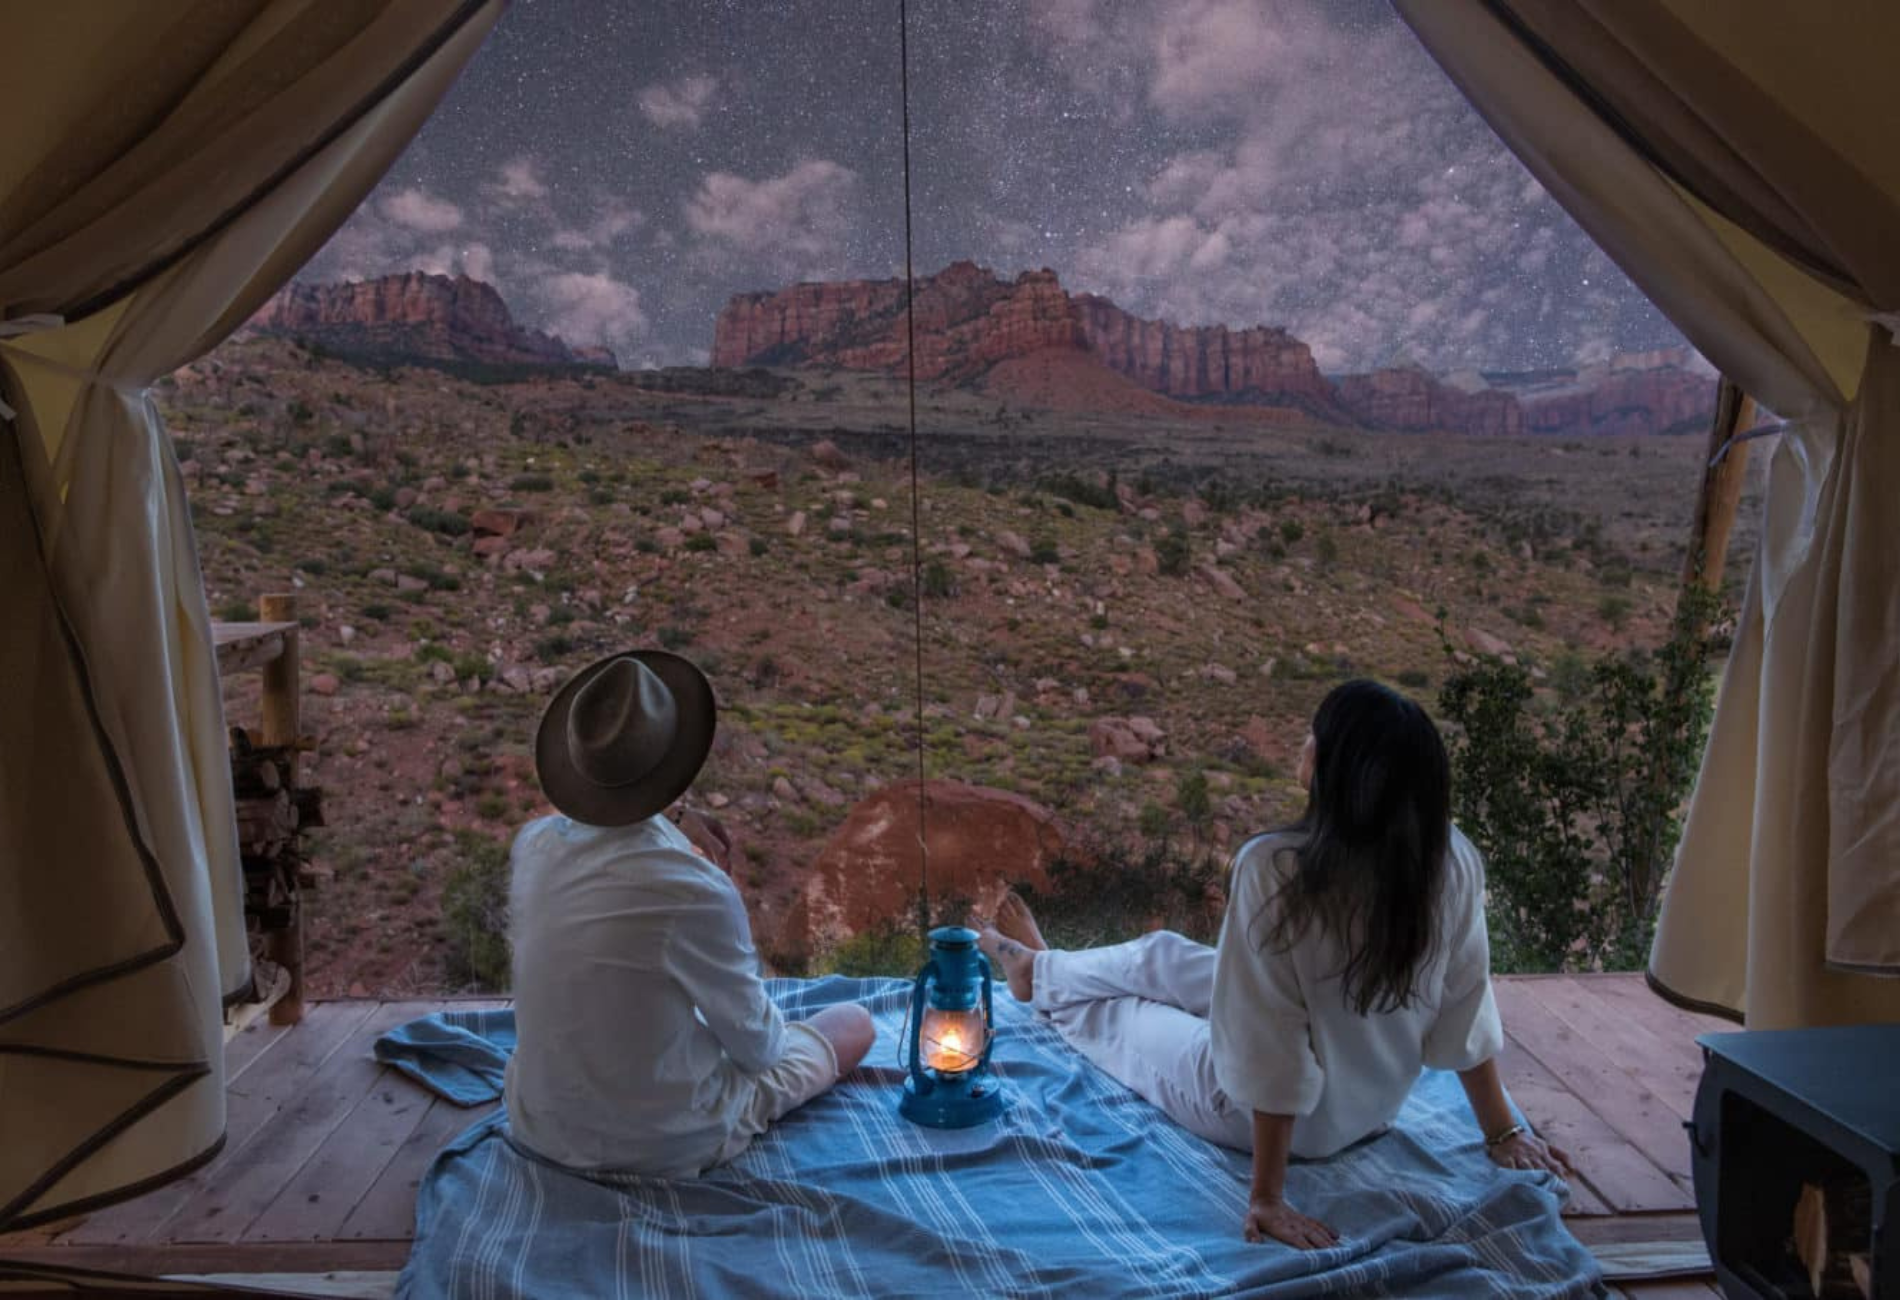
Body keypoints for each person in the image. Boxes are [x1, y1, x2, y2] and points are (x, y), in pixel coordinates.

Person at [977, 679, 1569, 1250]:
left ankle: (1044, 981)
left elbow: (1270, 1043)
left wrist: (1267, 1196)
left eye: (1315, 737)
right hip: (1368, 1106)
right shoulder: (1449, 859)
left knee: (1122, 1017)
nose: (1302, 745)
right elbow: (1466, 1002)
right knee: (1164, 956)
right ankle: (1042, 970)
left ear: (1343, 770)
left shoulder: (1277, 870)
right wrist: (1501, 1131)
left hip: (1272, 1117)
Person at [505, 649, 875, 1177]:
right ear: (678, 758)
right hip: (662, 1142)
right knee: (852, 1022)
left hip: (541, 1126)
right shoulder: (693, 889)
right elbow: (761, 1049)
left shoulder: (533, 846)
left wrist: (674, 814)